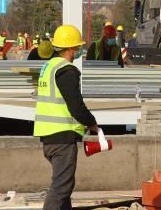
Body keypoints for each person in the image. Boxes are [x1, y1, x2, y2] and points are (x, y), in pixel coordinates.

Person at [34, 24, 99, 210]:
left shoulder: (48, 67)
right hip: (62, 136)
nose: (79, 51)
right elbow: (76, 106)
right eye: (77, 47)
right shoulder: (66, 70)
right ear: (71, 48)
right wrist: (92, 123)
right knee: (61, 187)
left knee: (63, 185)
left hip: (48, 135)